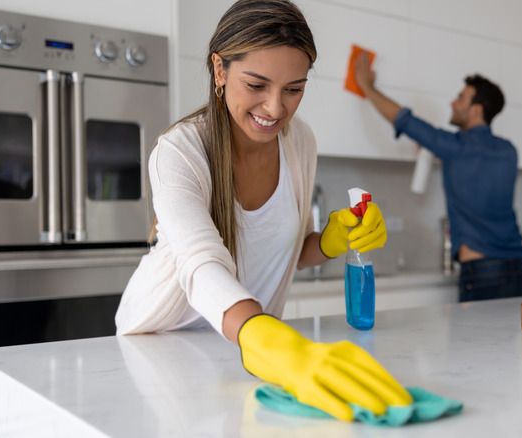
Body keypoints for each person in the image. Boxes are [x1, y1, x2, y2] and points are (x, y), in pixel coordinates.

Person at [115, 0, 410, 422]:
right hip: (160, 350)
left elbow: (283, 252)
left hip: (245, 347)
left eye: (294, 88)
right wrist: (276, 343)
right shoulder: (180, 151)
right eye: (257, 85)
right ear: (220, 69)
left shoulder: (300, 142)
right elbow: (201, 265)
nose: (275, 108)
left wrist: (329, 241)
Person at [354, 54, 522, 302]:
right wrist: (438, 151)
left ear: (477, 110)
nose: (453, 103)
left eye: (461, 98)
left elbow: (404, 120)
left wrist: (367, 86)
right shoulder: (508, 151)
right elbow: (476, 172)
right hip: (520, 268)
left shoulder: (455, 147)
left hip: (483, 272)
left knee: (478, 342)